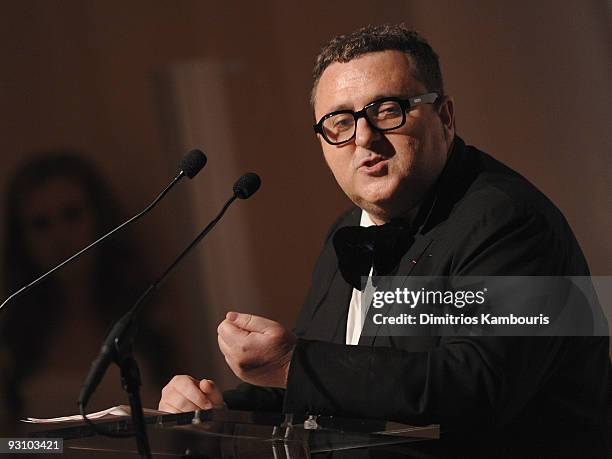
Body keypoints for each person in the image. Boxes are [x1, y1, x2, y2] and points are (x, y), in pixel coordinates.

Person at [158, 25, 610, 456]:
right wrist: (219, 410)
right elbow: (346, 388)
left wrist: (296, 364)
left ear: (445, 116)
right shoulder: (346, 230)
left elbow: (479, 388)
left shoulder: (513, 221)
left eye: (388, 110)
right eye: (339, 122)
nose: (365, 138)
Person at [0, 152, 176, 432]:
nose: (60, 237)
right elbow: (9, 445)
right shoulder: (12, 339)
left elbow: (186, 429)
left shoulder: (150, 318)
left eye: (72, 214)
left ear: (99, 217)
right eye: (40, 224)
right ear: (23, 239)